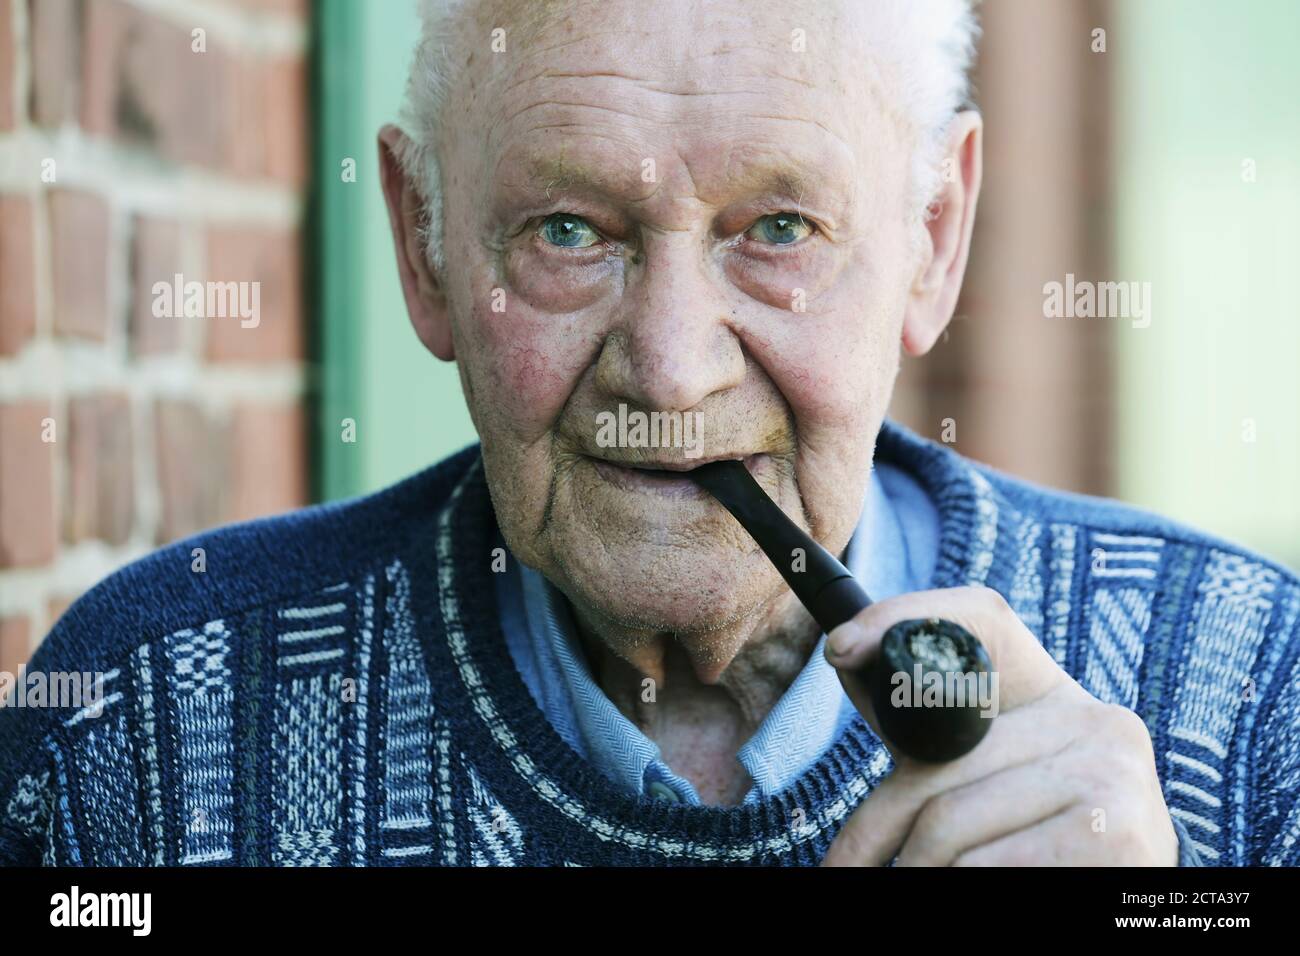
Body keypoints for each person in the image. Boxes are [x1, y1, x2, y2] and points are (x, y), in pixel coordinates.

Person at [2, 0, 1296, 867]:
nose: (673, 375)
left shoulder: (1254, 698)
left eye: (777, 231)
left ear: (933, 242)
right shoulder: (143, 736)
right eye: (570, 231)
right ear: (424, 244)